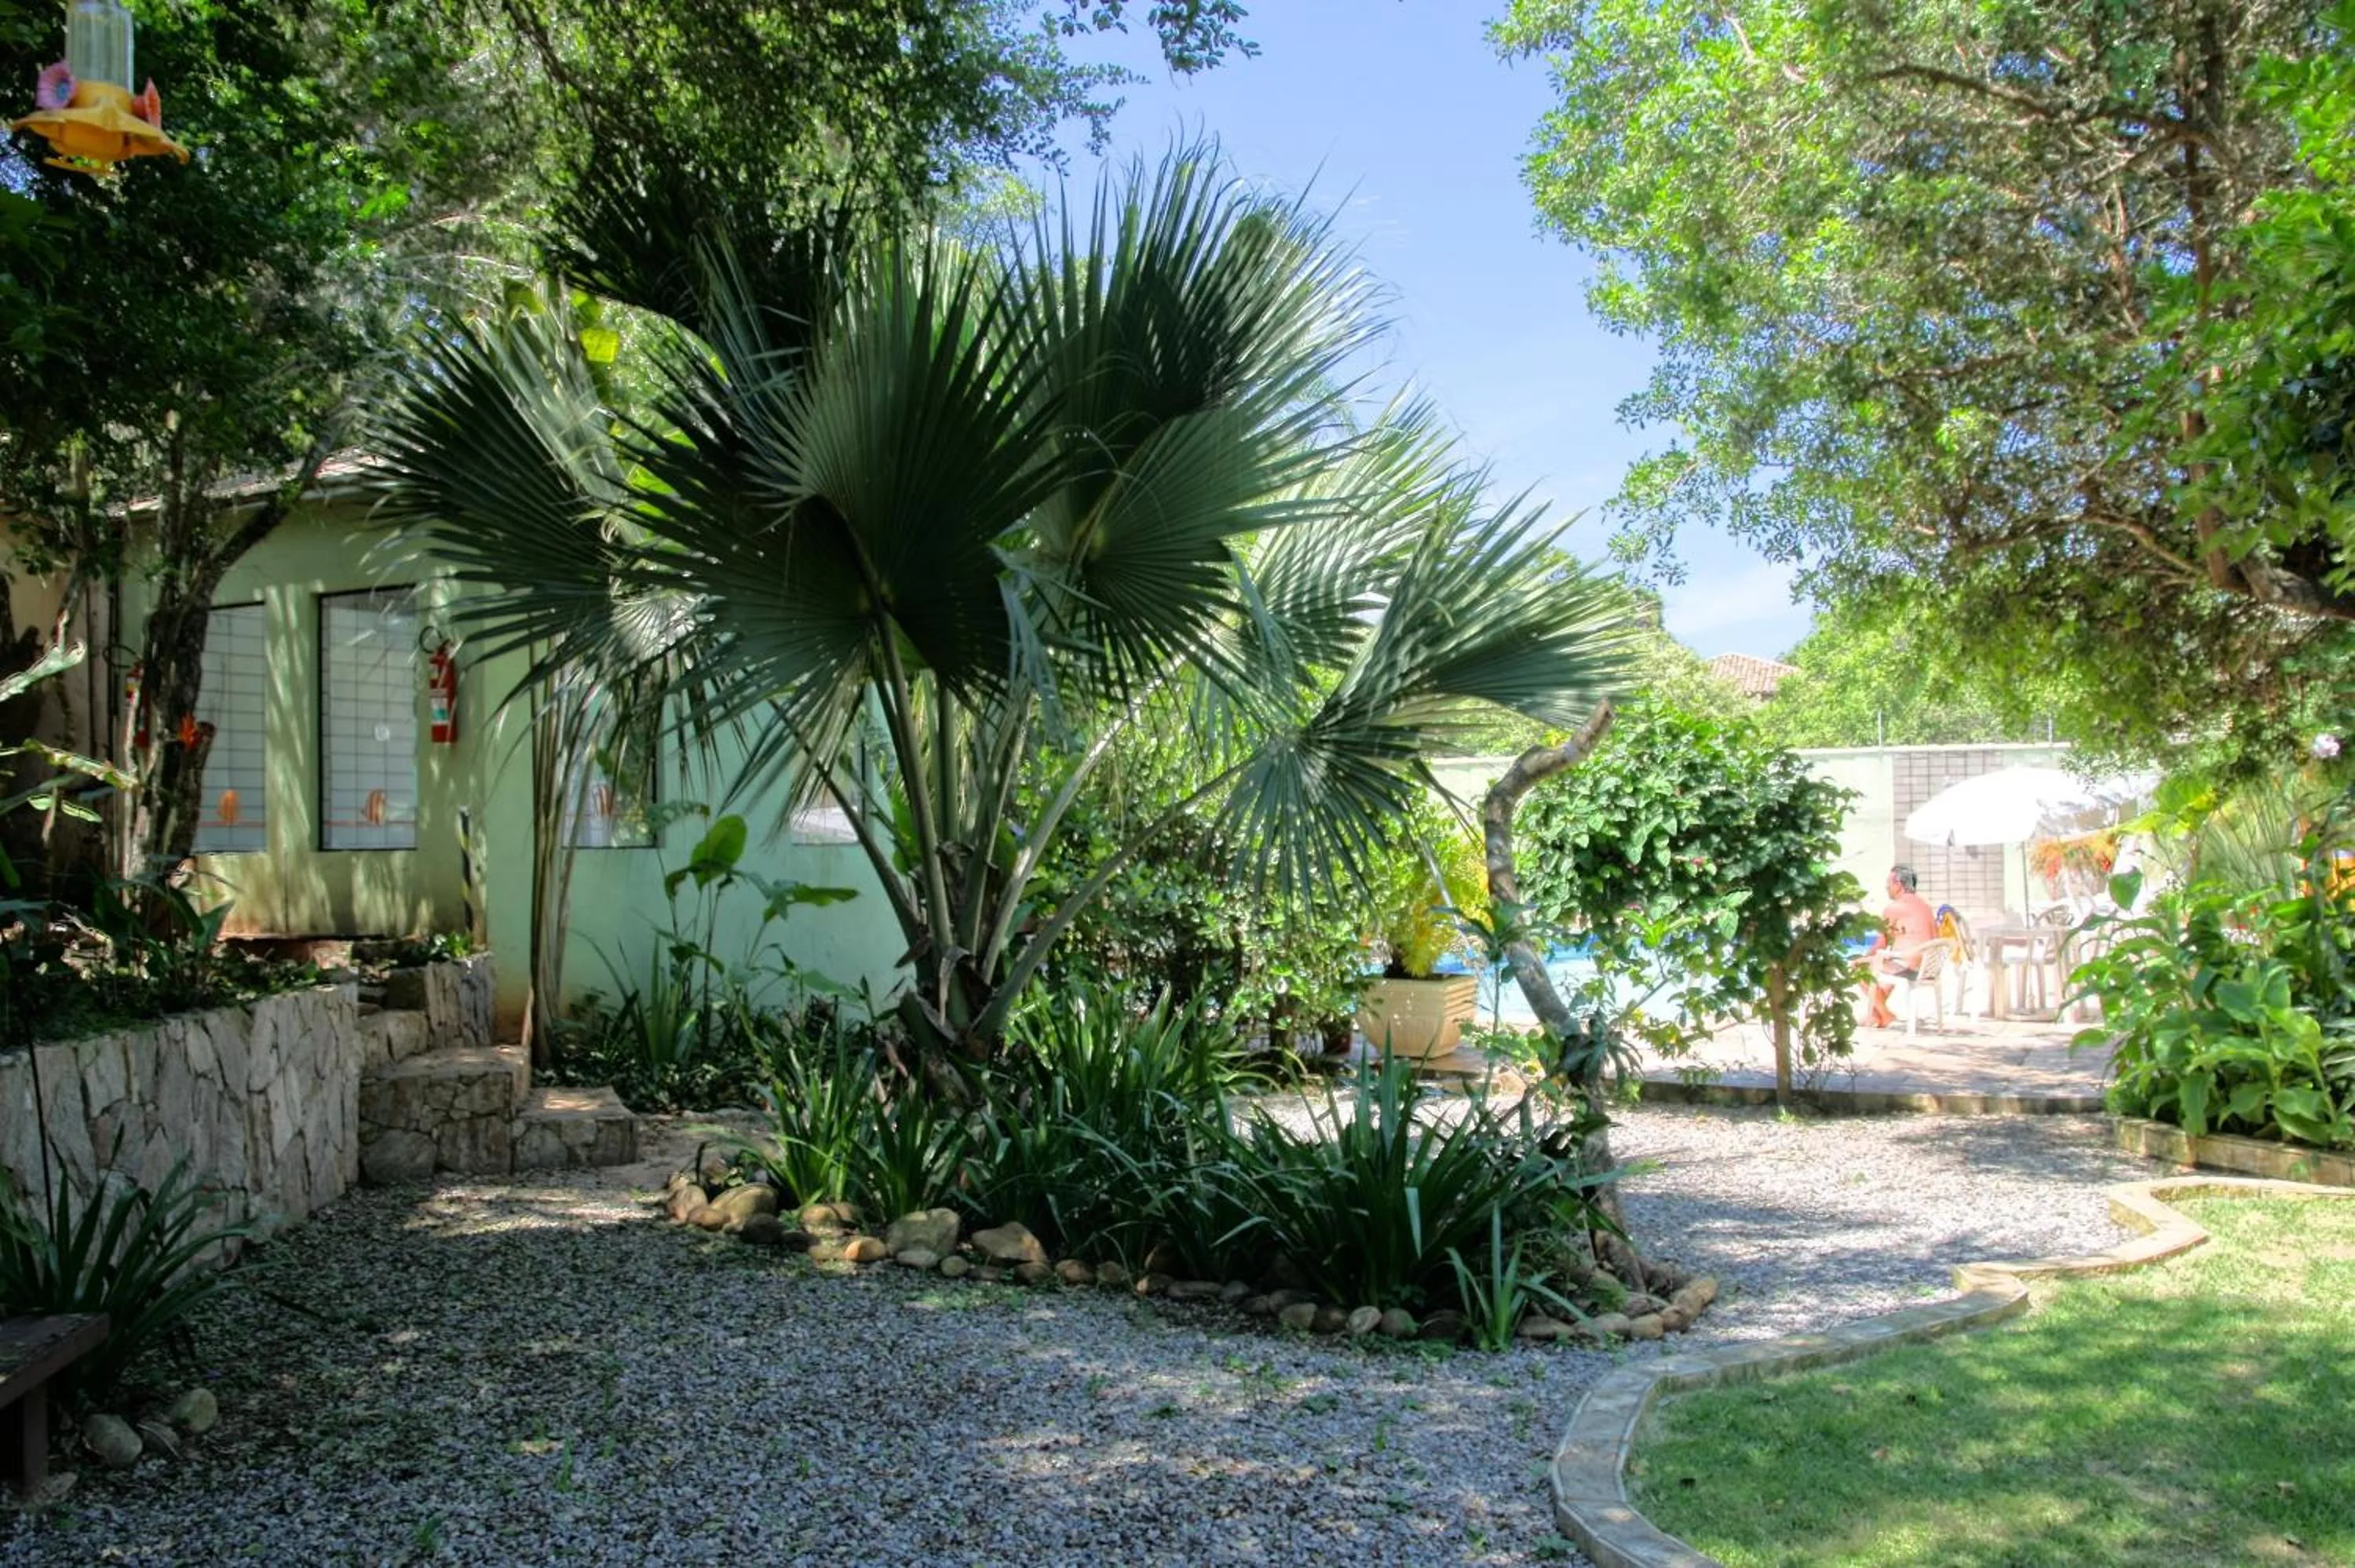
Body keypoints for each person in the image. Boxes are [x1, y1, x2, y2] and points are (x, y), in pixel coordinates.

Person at [1857, 863, 1940, 1028]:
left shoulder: (1894, 908)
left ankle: (1886, 1015)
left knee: (1860, 969)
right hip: (1931, 966)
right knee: (1886, 965)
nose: (1886, 887)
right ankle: (1875, 1016)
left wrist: (1861, 958)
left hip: (1911, 967)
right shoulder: (1926, 906)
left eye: (1889, 883)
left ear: (1899, 885)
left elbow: (1880, 944)